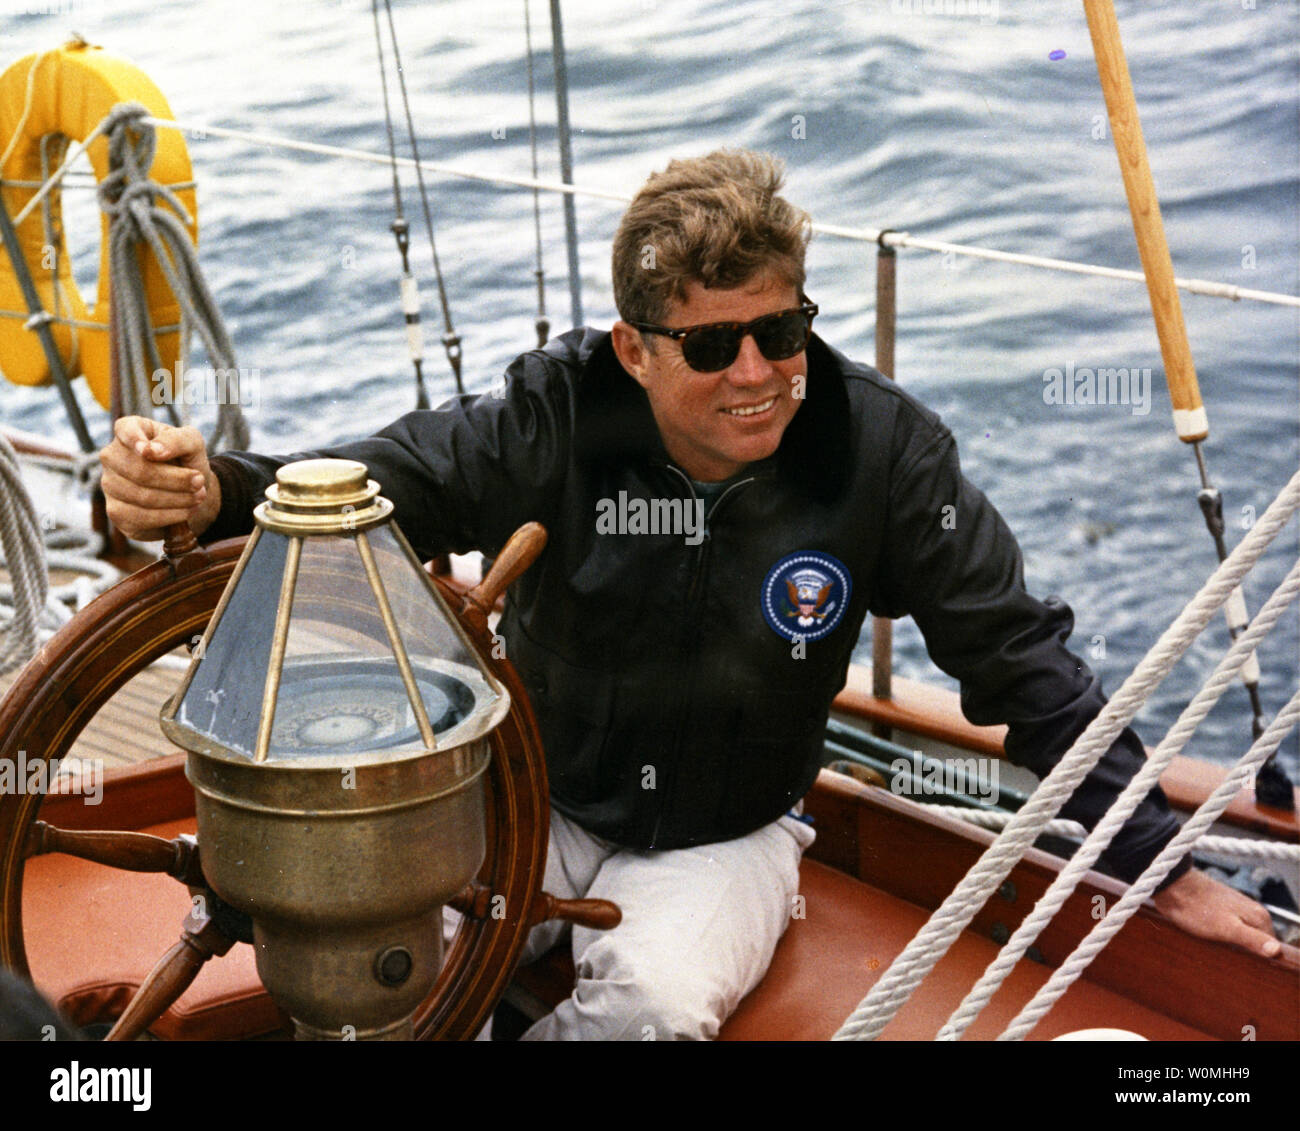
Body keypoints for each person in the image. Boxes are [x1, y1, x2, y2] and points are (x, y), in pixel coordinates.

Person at [99, 149, 1280, 1040]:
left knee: (650, 1011)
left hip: (728, 831)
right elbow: (368, 495)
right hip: (531, 800)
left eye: (784, 331)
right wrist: (206, 490)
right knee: (375, 952)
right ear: (633, 350)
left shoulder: (881, 453)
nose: (759, 375)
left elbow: (1018, 658)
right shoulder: (554, 415)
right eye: (713, 348)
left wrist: (1158, 863)